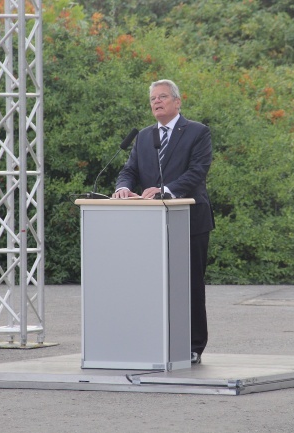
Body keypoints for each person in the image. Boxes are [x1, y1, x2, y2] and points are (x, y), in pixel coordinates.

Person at [112, 79, 214, 364]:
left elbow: (198, 172)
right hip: (149, 224)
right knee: (149, 284)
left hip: (189, 221)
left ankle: (193, 345)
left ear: (177, 101)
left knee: (189, 284)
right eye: (153, 99)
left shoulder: (197, 132)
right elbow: (129, 170)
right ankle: (152, 340)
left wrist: (166, 190)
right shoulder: (144, 136)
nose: (157, 102)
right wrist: (122, 187)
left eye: (163, 97)